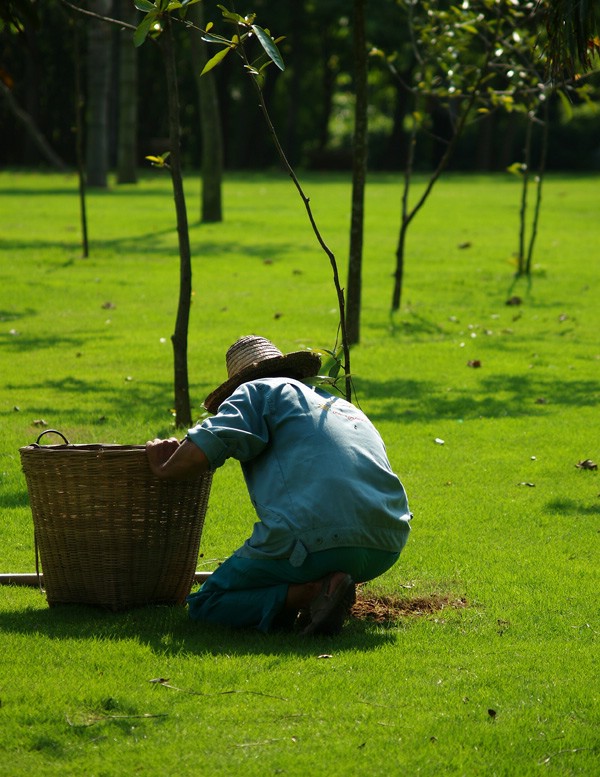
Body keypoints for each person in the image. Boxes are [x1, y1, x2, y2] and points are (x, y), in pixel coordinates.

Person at [146, 335, 411, 636]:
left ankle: (312, 592)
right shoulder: (340, 405)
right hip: (387, 541)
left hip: (318, 540)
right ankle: (330, 582)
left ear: (238, 384)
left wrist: (163, 466)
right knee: (306, 557)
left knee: (207, 602)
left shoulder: (257, 390)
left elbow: (207, 444)